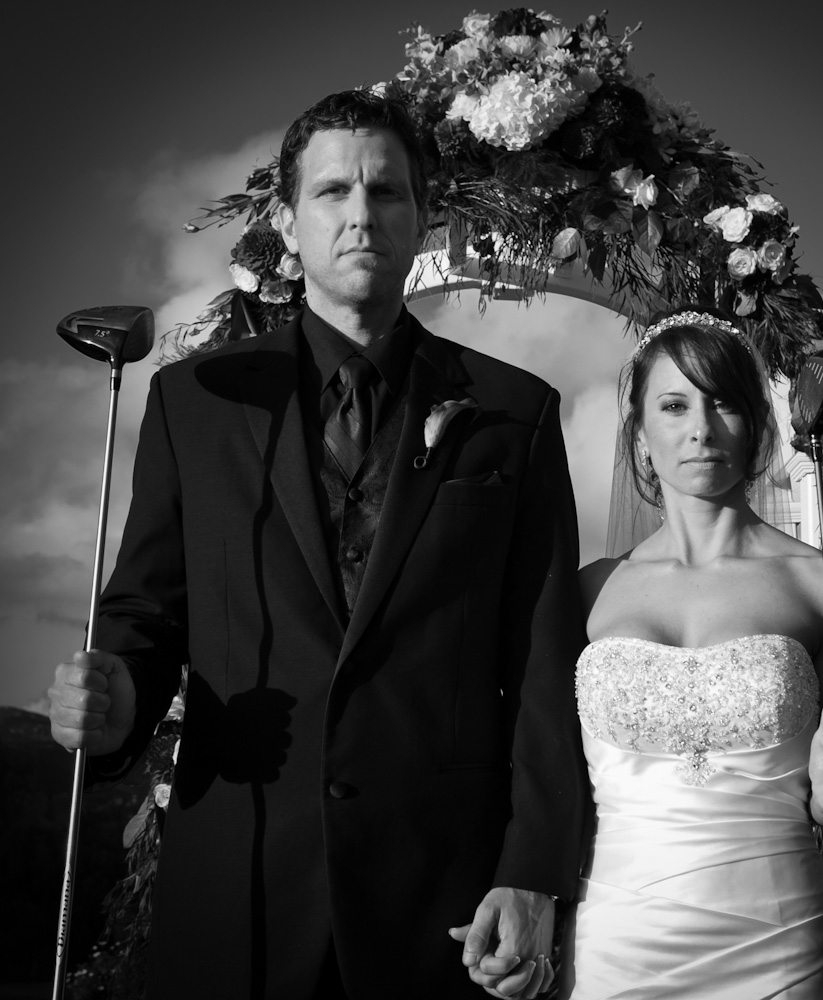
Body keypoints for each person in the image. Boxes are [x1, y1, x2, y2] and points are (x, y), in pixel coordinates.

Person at [47, 90, 587, 1000]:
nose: (360, 214)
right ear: (288, 225)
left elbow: (543, 658)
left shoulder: (515, 412)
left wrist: (535, 869)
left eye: (386, 191)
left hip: (442, 899)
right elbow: (146, 611)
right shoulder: (195, 402)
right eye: (333, 191)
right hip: (240, 891)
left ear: (423, 218)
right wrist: (117, 699)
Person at [561, 308, 823, 999]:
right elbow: (549, 780)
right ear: (639, 437)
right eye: (674, 406)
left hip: (782, 939)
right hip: (617, 946)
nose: (701, 429)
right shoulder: (588, 592)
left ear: (758, 427)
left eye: (724, 404)